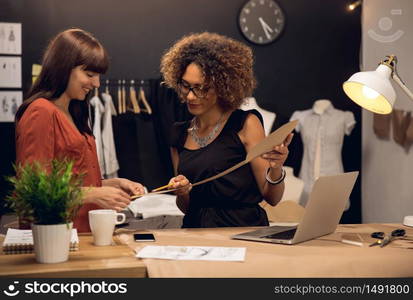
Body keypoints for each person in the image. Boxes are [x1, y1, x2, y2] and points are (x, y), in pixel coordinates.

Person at [15, 28, 145, 232]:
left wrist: (112, 184)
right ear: (64, 67)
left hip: (81, 236)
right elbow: (35, 195)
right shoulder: (41, 112)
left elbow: (73, 180)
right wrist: (94, 194)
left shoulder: (74, 112)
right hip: (56, 239)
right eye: (90, 74)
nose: (96, 84)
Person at [160, 32, 293, 228]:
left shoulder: (246, 124)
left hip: (244, 232)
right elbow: (187, 207)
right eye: (186, 86)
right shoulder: (179, 133)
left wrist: (276, 167)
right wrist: (183, 192)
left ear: (223, 87)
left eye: (201, 88)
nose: (190, 96)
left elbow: (272, 197)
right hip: (197, 234)